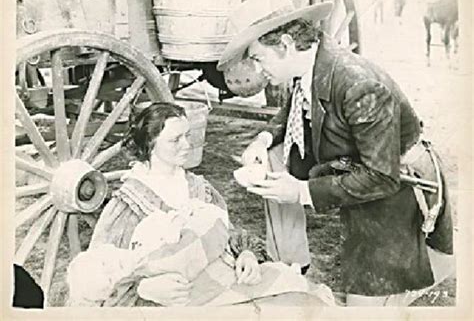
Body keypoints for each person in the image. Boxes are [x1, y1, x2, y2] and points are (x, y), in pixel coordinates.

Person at [217, 0, 454, 306]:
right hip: (357, 166)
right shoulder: (309, 65)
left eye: (258, 58)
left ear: (285, 44)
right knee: (272, 158)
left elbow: (383, 178)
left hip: (399, 188)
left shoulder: (359, 83)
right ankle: (290, 267)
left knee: (366, 309)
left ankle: (423, 271)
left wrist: (301, 192)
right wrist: (263, 140)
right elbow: (290, 112)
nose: (258, 70)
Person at [67, 102, 334, 307]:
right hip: (171, 301)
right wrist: (143, 289)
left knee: (295, 292)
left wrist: (247, 255)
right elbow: (100, 276)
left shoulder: (199, 188)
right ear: (149, 145)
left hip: (221, 282)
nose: (187, 145)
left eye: (187, 135)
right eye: (175, 140)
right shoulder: (129, 204)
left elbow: (230, 235)